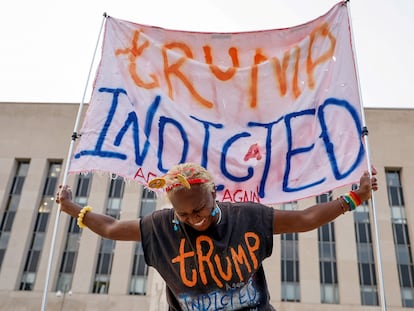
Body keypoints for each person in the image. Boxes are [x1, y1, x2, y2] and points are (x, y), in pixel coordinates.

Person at [56, 162, 378, 311]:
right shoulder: (161, 227)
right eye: (183, 215)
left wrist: (355, 197)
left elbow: (306, 219)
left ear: (215, 194)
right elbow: (111, 228)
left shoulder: (247, 218)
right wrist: (71, 208)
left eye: (200, 209)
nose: (194, 220)